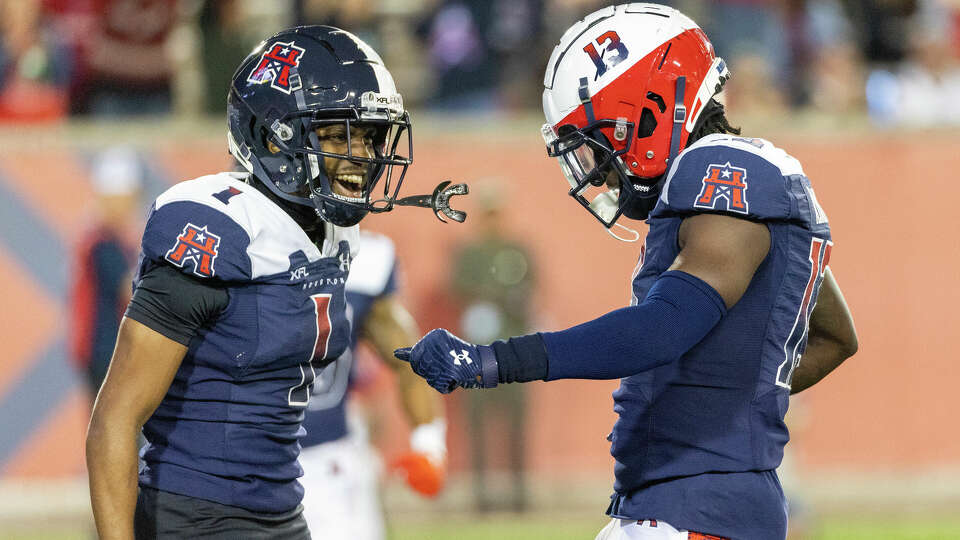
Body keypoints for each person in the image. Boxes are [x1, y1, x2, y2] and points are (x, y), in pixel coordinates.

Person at [395, 4, 859, 540]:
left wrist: (494, 360)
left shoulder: (726, 173)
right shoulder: (753, 181)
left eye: (602, 137)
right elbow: (835, 336)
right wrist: (728, 401)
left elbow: (665, 327)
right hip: (688, 505)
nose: (597, 165)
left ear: (651, 111)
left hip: (694, 513)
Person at [86, 25, 429, 539]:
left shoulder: (335, 233)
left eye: (370, 136)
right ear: (275, 136)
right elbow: (114, 421)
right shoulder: (214, 228)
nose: (362, 156)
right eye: (338, 135)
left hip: (282, 510)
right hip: (195, 516)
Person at [299, 230, 446, 540]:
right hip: (236, 459)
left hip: (325, 460)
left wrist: (429, 445)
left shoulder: (362, 258)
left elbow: (411, 357)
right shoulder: (238, 238)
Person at [449, 183, 533, 513]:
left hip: (515, 348)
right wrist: (495, 293)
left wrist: (511, 299)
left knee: (516, 426)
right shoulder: (470, 254)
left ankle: (518, 495)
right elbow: (458, 288)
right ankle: (482, 496)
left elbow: (530, 289)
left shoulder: (520, 251)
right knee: (479, 426)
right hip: (478, 354)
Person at [70, 147, 142, 403]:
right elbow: (131, 290)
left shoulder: (108, 237)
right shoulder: (102, 241)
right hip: (105, 352)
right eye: (129, 198)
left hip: (105, 351)